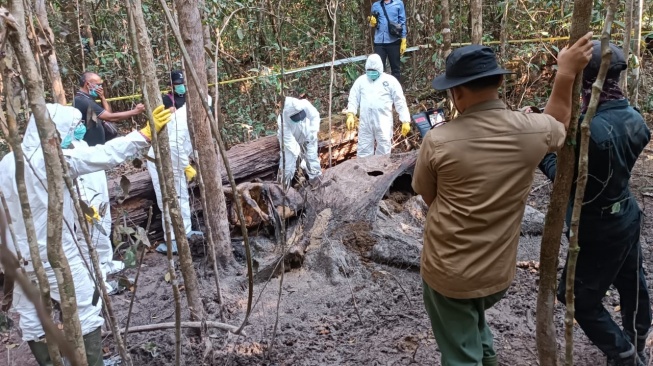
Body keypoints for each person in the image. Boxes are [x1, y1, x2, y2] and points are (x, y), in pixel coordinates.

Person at [411, 33, 594, 366]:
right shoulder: (530, 131)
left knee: (459, 353)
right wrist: (566, 74)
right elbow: (558, 123)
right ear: (498, 81)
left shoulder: (438, 140)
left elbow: (428, 195)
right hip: (496, 273)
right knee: (475, 326)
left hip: (448, 273)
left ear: (457, 92)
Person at [0, 103, 170, 366]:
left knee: (32, 315)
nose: (71, 135)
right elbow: (103, 155)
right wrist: (144, 136)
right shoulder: (53, 161)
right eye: (68, 130)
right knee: (85, 308)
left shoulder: (7, 162)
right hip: (56, 255)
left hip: (17, 259)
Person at [538, 41, 651, 366]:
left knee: (577, 298)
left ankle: (625, 355)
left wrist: (545, 152)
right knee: (632, 280)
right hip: (626, 215)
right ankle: (638, 339)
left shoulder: (591, 134)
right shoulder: (635, 119)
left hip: (596, 226)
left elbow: (561, 176)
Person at [148, 71, 207, 255]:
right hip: (162, 159)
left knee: (182, 196)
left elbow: (192, 142)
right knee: (168, 198)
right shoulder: (182, 118)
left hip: (176, 160)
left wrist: (193, 159)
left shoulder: (194, 118)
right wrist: (186, 166)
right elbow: (173, 144)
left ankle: (187, 231)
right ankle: (172, 239)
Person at [69, 127, 124, 295]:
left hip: (98, 196)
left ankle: (106, 263)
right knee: (88, 241)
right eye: (76, 124)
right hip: (85, 202)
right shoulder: (63, 153)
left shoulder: (82, 143)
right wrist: (83, 202)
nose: (81, 126)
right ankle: (96, 282)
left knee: (103, 231)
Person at [345, 53, 410, 158]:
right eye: (369, 71)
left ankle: (381, 173)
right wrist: (351, 113)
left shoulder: (390, 81)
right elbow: (353, 97)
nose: (371, 73)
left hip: (383, 122)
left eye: (374, 71)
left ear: (380, 69)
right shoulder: (361, 81)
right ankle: (364, 173)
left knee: (384, 150)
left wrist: (405, 120)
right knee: (363, 150)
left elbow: (400, 101)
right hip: (365, 122)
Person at [74, 71, 145, 147]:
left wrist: (102, 98)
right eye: (98, 85)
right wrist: (135, 111)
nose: (100, 87)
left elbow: (107, 113)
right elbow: (110, 117)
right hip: (90, 146)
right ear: (87, 84)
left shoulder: (87, 98)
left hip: (97, 144)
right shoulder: (83, 100)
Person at [277, 96, 323, 189]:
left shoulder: (305, 104)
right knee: (288, 163)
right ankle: (282, 187)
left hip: (307, 134)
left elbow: (315, 116)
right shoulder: (282, 120)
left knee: (312, 156)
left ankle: (316, 180)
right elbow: (289, 141)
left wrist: (313, 131)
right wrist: (300, 156)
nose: (299, 117)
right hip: (289, 141)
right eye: (295, 116)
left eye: (300, 113)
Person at [368, 0, 407, 81]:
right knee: (378, 69)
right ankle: (380, 91)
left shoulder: (398, 3)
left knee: (395, 69)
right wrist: (372, 23)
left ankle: (396, 91)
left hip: (393, 41)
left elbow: (402, 22)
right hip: (379, 42)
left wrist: (403, 39)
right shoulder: (375, 5)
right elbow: (373, 23)